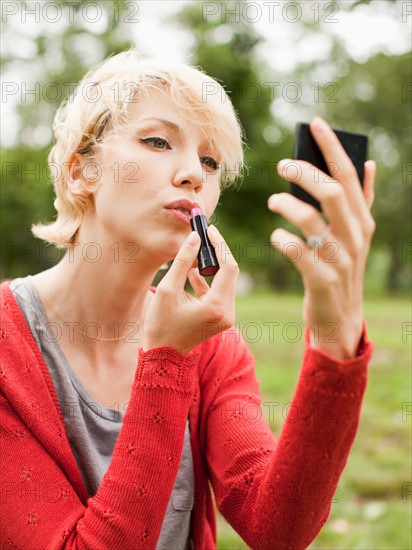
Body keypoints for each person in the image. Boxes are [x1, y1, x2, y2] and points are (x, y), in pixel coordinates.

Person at [0, 49, 376, 549]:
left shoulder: (212, 344)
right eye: (157, 141)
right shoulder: (8, 346)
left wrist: (335, 342)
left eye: (210, 161)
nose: (193, 175)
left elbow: (277, 529)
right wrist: (167, 361)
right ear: (79, 172)